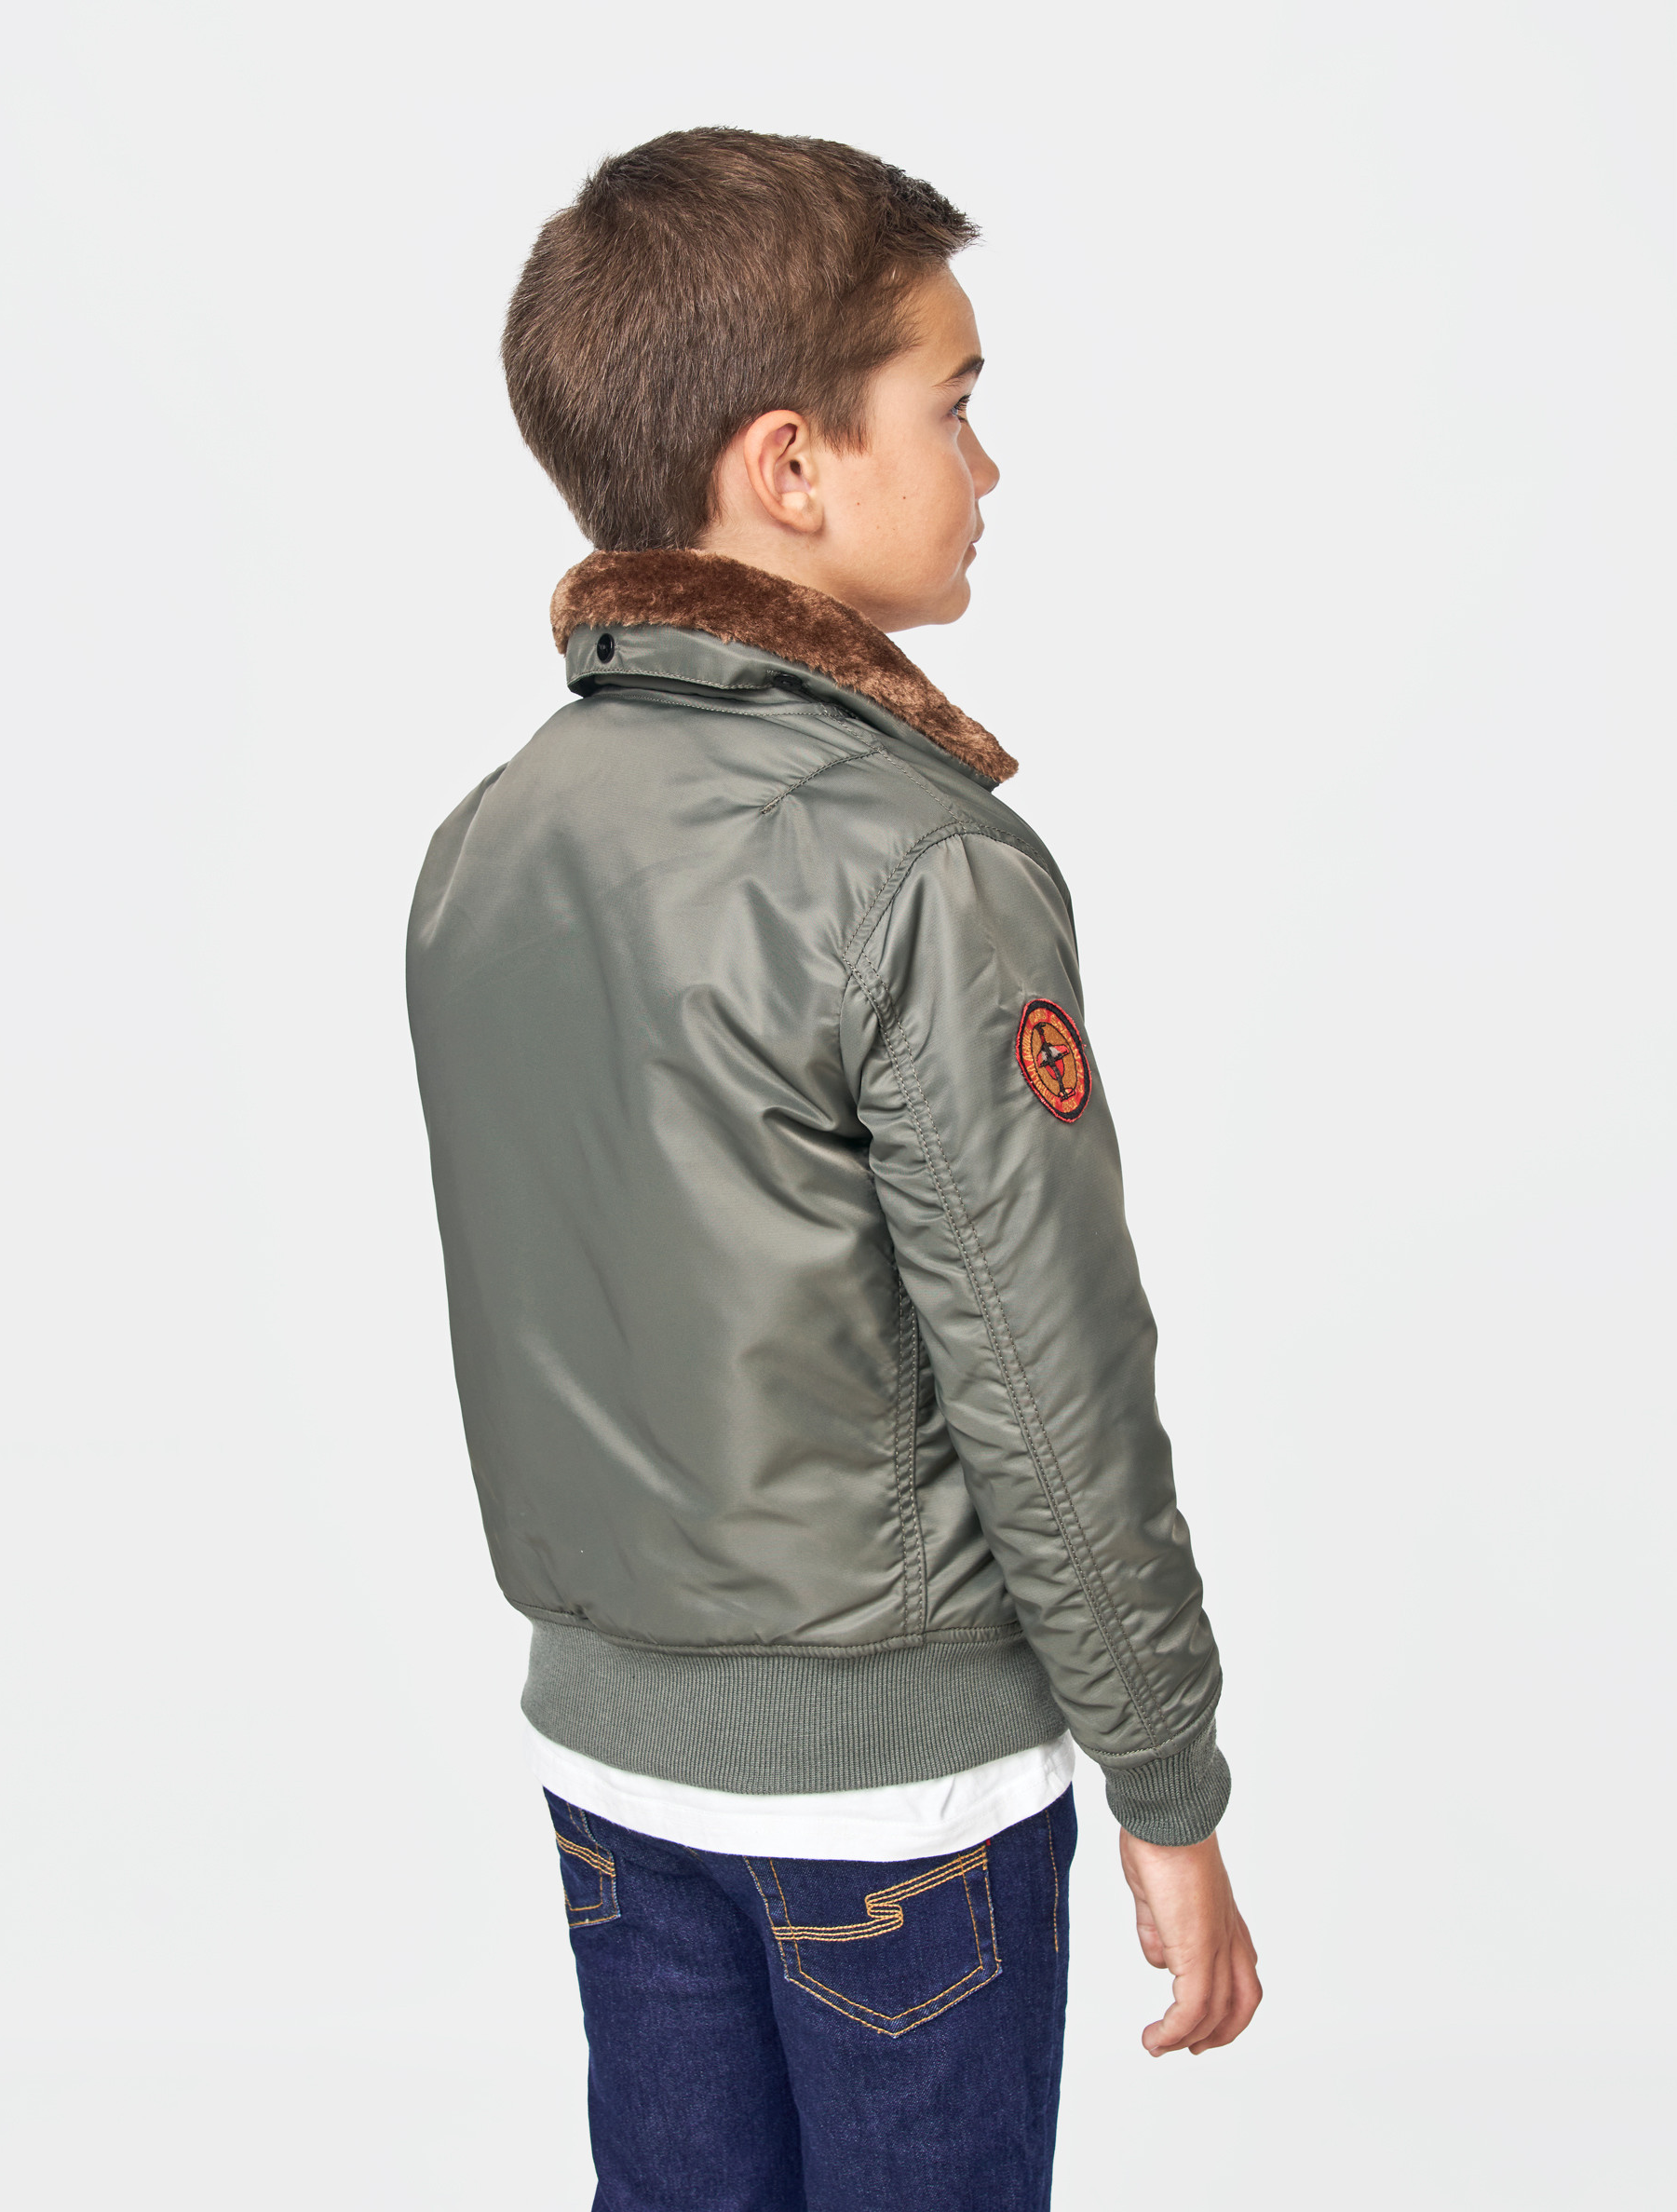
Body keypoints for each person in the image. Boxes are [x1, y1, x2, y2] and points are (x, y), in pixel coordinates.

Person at [408, 127, 1260, 2212]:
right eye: (952, 405)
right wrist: (1166, 1779)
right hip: (892, 1802)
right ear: (789, 465)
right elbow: (1043, 1380)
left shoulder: (494, 835)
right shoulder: (922, 863)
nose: (989, 465)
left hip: (606, 1762)